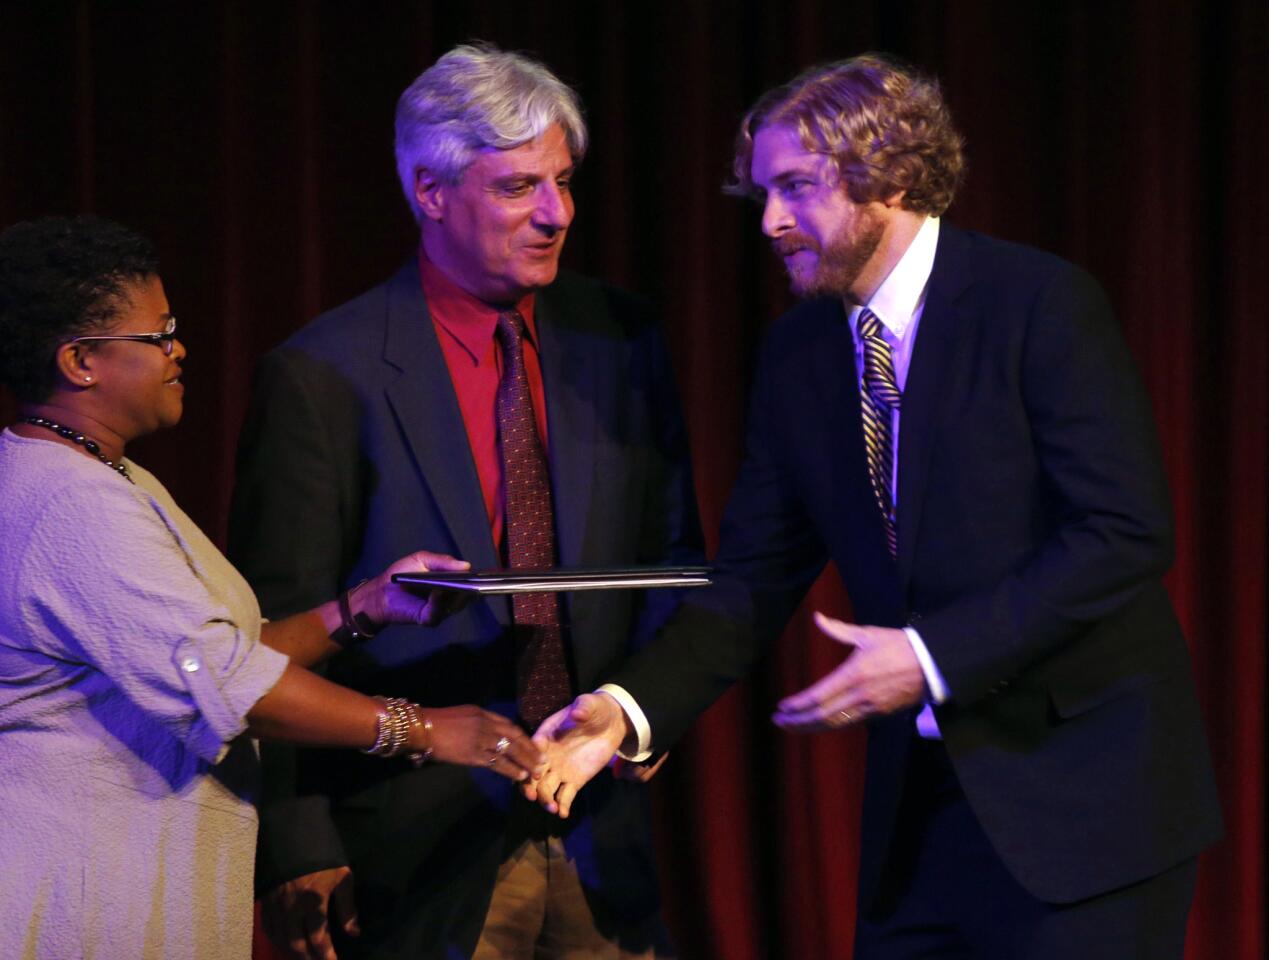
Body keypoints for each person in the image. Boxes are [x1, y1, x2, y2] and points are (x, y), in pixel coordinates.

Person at [530, 54, 1223, 959]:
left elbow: (1123, 532)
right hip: (923, 826)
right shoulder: (800, 353)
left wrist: (933, 658)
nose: (772, 222)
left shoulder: (1035, 304)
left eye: (797, 189)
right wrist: (629, 707)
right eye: (762, 194)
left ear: (891, 177)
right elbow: (752, 577)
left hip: (1084, 808)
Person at [229, 43, 700, 960]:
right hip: (411, 851)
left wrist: (645, 713)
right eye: (520, 187)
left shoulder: (623, 339)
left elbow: (675, 558)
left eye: (564, 182)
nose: (556, 214)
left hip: (602, 831)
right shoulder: (325, 374)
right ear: (429, 191)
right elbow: (265, 639)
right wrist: (298, 844)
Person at [0, 215, 544, 960]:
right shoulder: (71, 503)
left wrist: (361, 608)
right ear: (81, 361)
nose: (178, 350)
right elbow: (227, 685)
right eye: (158, 336)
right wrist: (423, 729)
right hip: (88, 902)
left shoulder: (105, 478)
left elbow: (204, 657)